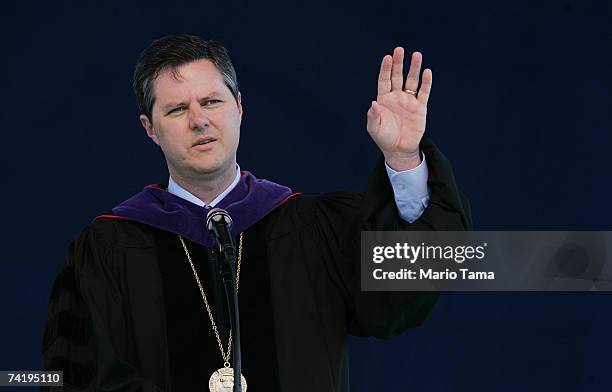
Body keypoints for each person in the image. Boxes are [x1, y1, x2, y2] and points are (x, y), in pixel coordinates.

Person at [42, 34, 471, 391]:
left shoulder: (311, 229)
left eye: (211, 101)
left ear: (240, 108)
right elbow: (71, 379)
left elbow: (410, 288)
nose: (199, 120)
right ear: (149, 128)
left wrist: (403, 158)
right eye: (176, 109)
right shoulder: (107, 248)